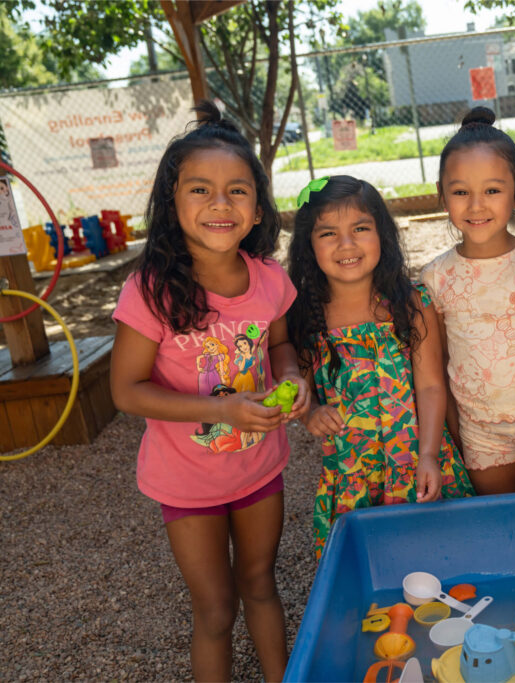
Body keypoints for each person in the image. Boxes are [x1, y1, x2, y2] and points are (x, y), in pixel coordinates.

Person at [109, 101, 310, 683]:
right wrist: (221, 408)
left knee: (261, 585)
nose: (220, 204)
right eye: (200, 189)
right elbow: (127, 390)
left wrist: (293, 378)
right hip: (187, 483)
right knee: (217, 609)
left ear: (257, 207)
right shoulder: (149, 291)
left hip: (259, 470)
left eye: (237, 190)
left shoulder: (269, 277)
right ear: (172, 203)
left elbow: (279, 348)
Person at [286, 175, 474, 561]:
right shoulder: (304, 315)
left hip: (416, 461)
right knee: (372, 573)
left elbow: (431, 387)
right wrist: (310, 414)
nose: (347, 244)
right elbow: (299, 389)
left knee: (442, 561)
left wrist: (428, 456)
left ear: (382, 235)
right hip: (352, 476)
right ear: (308, 245)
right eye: (328, 234)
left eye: (360, 228)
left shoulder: (411, 303)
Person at [419, 106, 515, 495]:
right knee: (498, 525)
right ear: (442, 197)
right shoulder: (436, 277)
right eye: (460, 192)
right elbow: (437, 363)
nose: (476, 205)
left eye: (492, 190)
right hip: (480, 430)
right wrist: (451, 434)